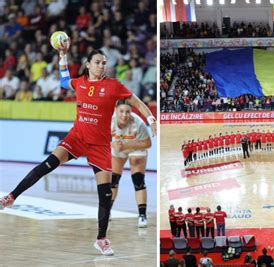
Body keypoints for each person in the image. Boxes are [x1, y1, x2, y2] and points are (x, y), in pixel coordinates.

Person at [0, 48, 157, 256]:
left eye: (104, 63)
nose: (102, 66)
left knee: (106, 193)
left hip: (100, 145)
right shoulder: (80, 82)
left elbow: (136, 102)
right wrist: (63, 56)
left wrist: (151, 119)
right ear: (88, 64)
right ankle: (11, 197)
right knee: (46, 166)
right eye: (98, 62)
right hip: (77, 138)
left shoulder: (113, 86)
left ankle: (101, 239)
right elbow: (64, 81)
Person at [110, 100, 152, 228]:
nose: (124, 115)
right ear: (115, 111)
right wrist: (113, 145)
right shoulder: (108, 121)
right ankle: (107, 211)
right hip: (118, 147)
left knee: (138, 180)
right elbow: (99, 139)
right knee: (113, 180)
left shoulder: (138, 123)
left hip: (136, 146)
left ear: (131, 112)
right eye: (121, 111)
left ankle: (142, 215)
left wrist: (127, 145)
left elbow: (148, 143)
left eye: (127, 111)